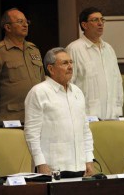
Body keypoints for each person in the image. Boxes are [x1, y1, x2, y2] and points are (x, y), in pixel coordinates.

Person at [24, 47, 94, 177]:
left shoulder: (77, 92)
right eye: (64, 63)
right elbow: (31, 134)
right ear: (51, 69)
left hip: (80, 165)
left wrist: (89, 159)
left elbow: (85, 129)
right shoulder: (38, 92)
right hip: (52, 167)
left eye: (71, 62)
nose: (70, 67)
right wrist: (40, 163)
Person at [0, 8, 45, 123]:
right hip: (11, 118)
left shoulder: (33, 50)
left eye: (26, 21)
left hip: (37, 115)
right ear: (8, 27)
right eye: (19, 22)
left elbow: (43, 81)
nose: (25, 25)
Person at [66, 7, 123, 120]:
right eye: (95, 20)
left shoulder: (109, 49)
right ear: (84, 25)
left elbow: (117, 81)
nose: (100, 23)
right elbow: (68, 83)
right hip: (86, 116)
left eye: (102, 20)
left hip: (112, 115)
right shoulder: (74, 49)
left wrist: (118, 108)